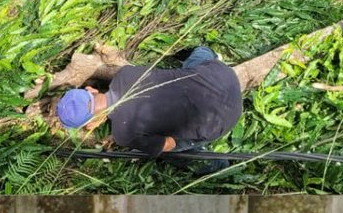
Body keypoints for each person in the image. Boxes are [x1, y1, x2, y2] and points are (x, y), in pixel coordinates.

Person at [55, 46, 242, 159]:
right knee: (200, 54)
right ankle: (212, 55)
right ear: (91, 90)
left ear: (90, 126)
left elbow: (168, 144)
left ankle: (212, 162)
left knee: (176, 149)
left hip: (225, 120)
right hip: (224, 77)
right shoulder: (124, 74)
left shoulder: (124, 135)